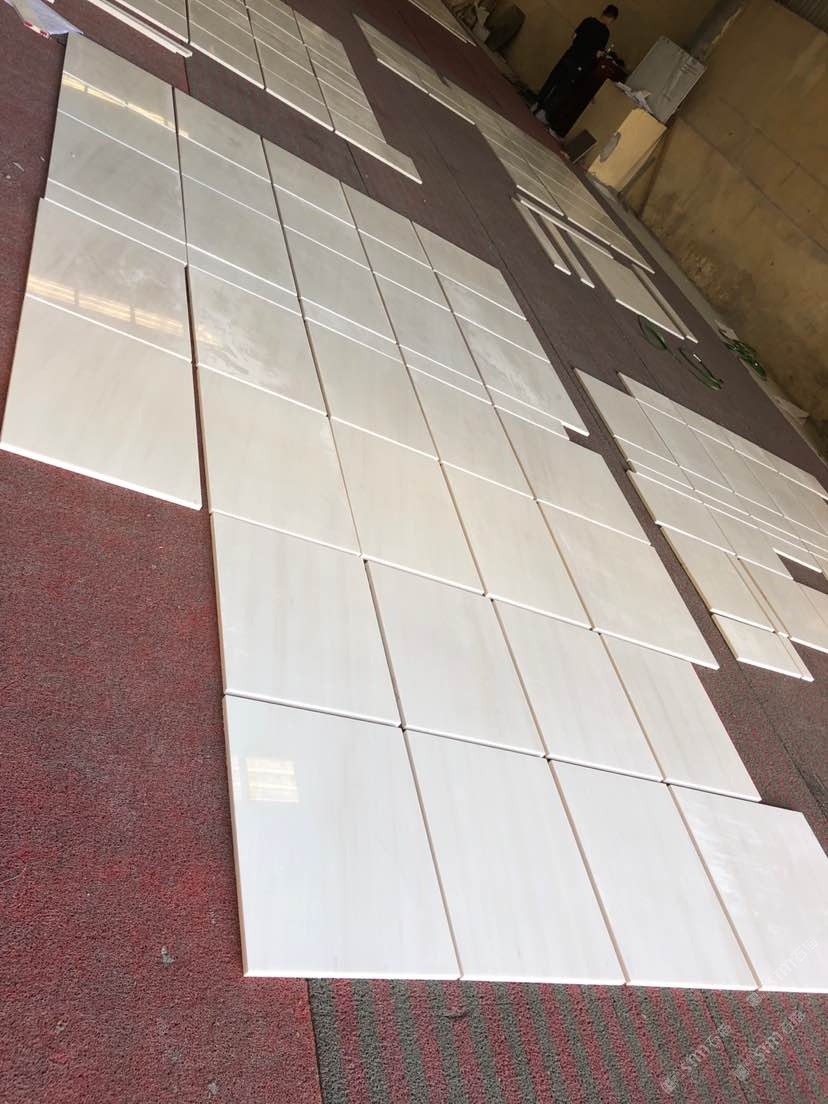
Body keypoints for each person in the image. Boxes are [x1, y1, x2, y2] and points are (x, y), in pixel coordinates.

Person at [533, 5, 618, 120]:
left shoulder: (588, 20)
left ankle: (537, 103)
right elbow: (598, 54)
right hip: (580, 64)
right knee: (563, 88)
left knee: (553, 80)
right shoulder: (605, 32)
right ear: (611, 18)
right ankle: (543, 112)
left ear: (604, 12)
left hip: (569, 55)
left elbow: (574, 36)